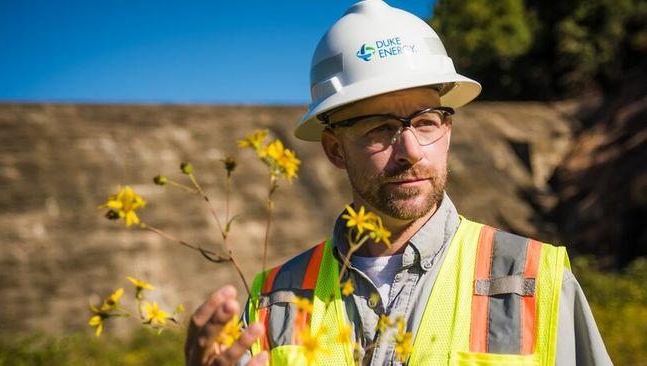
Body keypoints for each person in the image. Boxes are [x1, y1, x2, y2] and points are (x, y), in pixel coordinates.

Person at [184, 1, 613, 365]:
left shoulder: (534, 278)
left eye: (427, 122)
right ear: (335, 150)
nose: (410, 149)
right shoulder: (273, 301)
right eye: (378, 128)